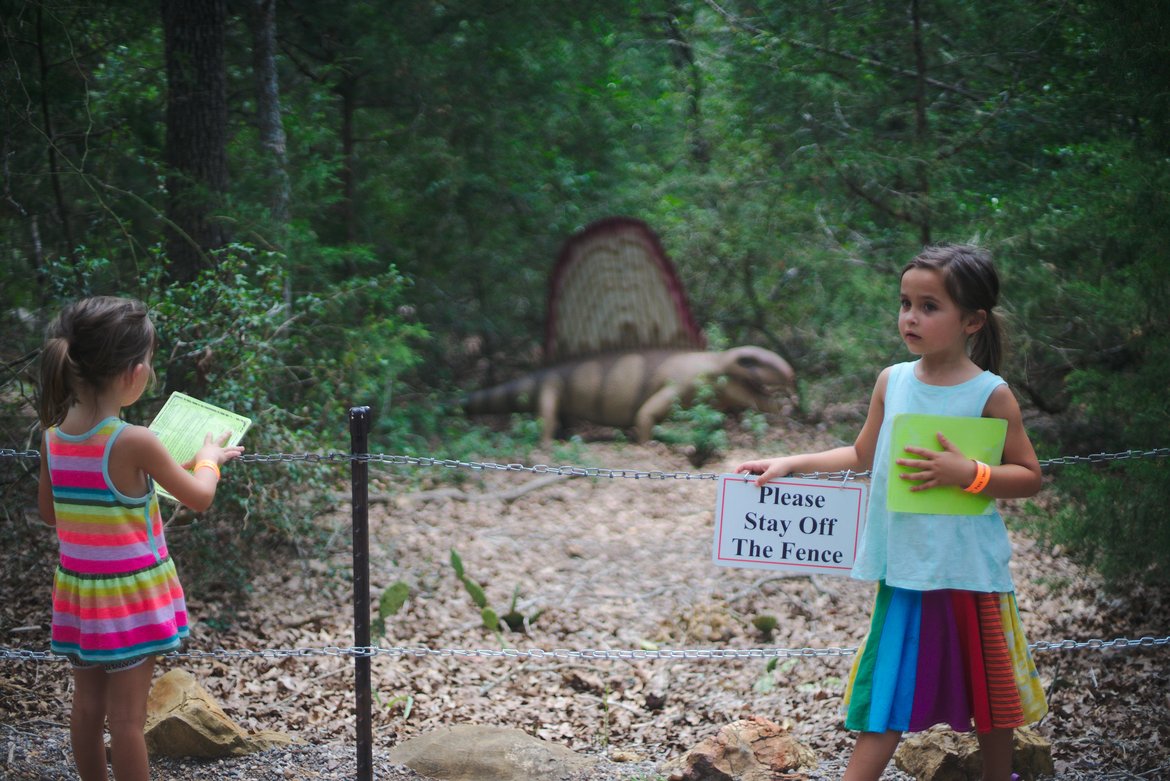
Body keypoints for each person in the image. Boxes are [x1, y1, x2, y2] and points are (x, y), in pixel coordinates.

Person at [736, 245, 1047, 781]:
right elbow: (861, 454)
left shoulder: (989, 394)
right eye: (906, 303)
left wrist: (968, 473)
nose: (911, 317)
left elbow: (1029, 475)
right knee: (888, 693)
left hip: (970, 571)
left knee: (991, 698)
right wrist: (793, 463)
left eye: (930, 306)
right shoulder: (893, 380)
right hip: (905, 570)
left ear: (972, 320)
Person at [37, 296, 244, 781]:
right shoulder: (135, 441)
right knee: (128, 722)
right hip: (127, 602)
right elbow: (198, 497)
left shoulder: (50, 435)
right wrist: (210, 456)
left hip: (80, 596)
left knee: (87, 711)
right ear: (132, 374)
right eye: (149, 362)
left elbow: (51, 513)